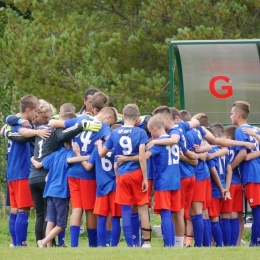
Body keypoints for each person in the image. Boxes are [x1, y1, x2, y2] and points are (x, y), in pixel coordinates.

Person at [49, 107, 117, 247]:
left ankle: (74, 244)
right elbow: (111, 141)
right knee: (90, 210)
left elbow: (54, 123)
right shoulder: (103, 126)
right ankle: (92, 244)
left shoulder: (82, 119)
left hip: (72, 171)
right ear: (108, 118)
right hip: (88, 173)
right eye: (111, 123)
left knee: (76, 208)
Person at [96, 104, 151, 248]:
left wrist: (99, 145)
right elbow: (141, 157)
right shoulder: (140, 132)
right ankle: (146, 243)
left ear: (123, 117)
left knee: (125, 210)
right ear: (137, 117)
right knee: (143, 209)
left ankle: (129, 245)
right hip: (137, 173)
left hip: (122, 174)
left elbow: (102, 154)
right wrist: (145, 178)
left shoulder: (115, 133)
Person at [31, 137, 90, 248]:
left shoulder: (54, 154)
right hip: (61, 192)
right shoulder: (70, 154)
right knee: (61, 224)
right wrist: (88, 156)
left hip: (49, 191)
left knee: (50, 220)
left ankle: (48, 247)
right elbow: (70, 160)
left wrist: (32, 159)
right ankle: (43, 242)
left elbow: (38, 165)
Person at [73, 138, 121, 247]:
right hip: (114, 186)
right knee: (115, 217)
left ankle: (102, 245)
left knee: (101, 218)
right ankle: (114, 245)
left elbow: (88, 166)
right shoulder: (117, 148)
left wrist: (78, 154)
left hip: (101, 187)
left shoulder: (97, 149)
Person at [6, 94, 39, 246]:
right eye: (35, 111)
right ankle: (20, 244)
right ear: (28, 110)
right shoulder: (21, 126)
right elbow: (24, 134)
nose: (36, 114)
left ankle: (14, 244)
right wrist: (38, 132)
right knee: (23, 210)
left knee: (14, 210)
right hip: (21, 171)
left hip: (11, 172)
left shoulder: (11, 124)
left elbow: (7, 122)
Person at [145, 115, 181, 247]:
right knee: (171, 214)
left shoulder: (158, 143)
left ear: (154, 128)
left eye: (150, 132)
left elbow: (145, 156)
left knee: (165, 214)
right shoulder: (172, 140)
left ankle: (169, 245)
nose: (151, 135)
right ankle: (171, 244)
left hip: (163, 182)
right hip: (176, 181)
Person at [230, 101, 260, 246]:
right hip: (257, 172)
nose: (230, 117)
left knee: (256, 210)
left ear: (238, 115)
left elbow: (243, 154)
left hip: (252, 174)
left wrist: (230, 167)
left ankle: (256, 242)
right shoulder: (256, 130)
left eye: (231, 113)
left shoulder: (240, 131)